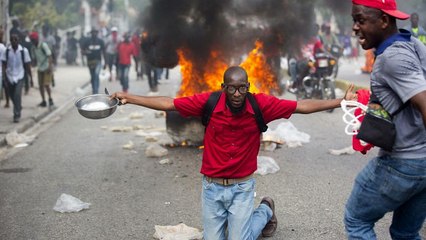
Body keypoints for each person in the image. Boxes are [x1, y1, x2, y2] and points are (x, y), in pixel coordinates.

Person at [111, 66, 357, 239]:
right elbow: (169, 103)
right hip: (212, 188)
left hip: (242, 188)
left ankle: (265, 210)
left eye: (242, 88)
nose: (237, 94)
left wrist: (340, 101)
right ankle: (246, 221)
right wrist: (129, 98)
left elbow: (301, 106)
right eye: (232, 89)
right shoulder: (209, 102)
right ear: (224, 87)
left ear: (248, 87)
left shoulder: (260, 104)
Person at [345, 1, 426, 239]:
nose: (354, 28)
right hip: (423, 163)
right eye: (354, 20)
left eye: (361, 20)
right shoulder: (412, 44)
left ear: (383, 20)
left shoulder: (393, 58)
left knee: (356, 219)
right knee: (405, 232)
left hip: (404, 162)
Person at [1, 33, 32, 123]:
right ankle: (18, 106)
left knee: (17, 94)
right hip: (9, 76)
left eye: (15, 39)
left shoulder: (24, 51)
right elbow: (4, 64)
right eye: (12, 40)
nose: (14, 41)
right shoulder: (6, 51)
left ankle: (16, 114)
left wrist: (30, 78)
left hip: (20, 76)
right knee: (11, 95)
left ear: (18, 41)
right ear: (10, 41)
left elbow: (27, 65)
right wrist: (4, 76)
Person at [29, 32, 54, 107]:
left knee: (46, 85)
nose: (33, 41)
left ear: (37, 39)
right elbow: (34, 59)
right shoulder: (33, 48)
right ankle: (43, 101)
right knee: (40, 86)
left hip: (47, 67)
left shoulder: (43, 45)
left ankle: (50, 99)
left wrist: (50, 67)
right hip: (40, 68)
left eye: (33, 39)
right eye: (31, 40)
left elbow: (49, 56)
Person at [82, 27, 105, 94]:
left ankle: (96, 90)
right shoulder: (87, 41)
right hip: (90, 62)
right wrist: (86, 52)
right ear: (91, 33)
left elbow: (104, 52)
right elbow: (82, 51)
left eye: (95, 32)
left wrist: (106, 62)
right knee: (92, 76)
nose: (94, 33)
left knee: (96, 74)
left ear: (97, 33)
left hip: (98, 61)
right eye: (93, 32)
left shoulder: (100, 41)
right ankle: (93, 88)